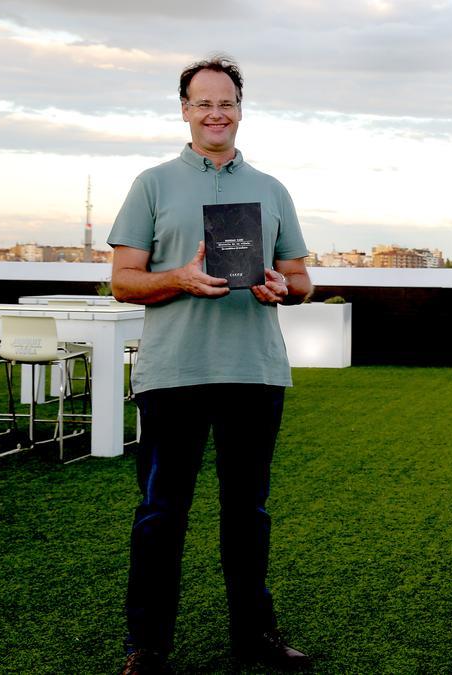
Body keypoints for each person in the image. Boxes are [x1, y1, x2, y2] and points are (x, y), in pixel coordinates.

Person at [108, 55, 313, 675]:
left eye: (226, 103)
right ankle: (147, 646)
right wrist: (180, 279)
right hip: (173, 375)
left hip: (254, 372)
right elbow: (122, 281)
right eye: (204, 103)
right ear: (185, 111)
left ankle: (254, 637)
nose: (216, 113)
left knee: (247, 515)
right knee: (161, 515)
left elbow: (303, 279)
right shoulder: (152, 183)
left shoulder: (273, 189)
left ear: (240, 110)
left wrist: (285, 286)